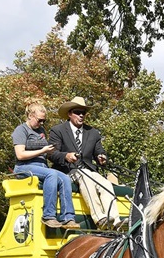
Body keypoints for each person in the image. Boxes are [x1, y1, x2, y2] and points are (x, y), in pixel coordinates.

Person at [48, 96, 122, 229]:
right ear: (70, 114)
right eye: (77, 112)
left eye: (84, 113)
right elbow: (51, 154)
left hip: (89, 171)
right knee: (86, 177)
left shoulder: (93, 133)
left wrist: (102, 157)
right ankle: (100, 218)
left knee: (106, 183)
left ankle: (116, 221)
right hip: (68, 171)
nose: (81, 115)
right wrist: (66, 156)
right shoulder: (58, 130)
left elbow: (100, 151)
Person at [11, 101, 79, 230]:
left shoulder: (40, 130)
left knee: (65, 178)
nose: (42, 123)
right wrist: (43, 150)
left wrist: (65, 154)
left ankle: (68, 218)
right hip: (24, 166)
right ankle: (48, 216)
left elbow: (48, 152)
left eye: (44, 121)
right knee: (52, 174)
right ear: (30, 116)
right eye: (40, 120)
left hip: (42, 167)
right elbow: (20, 155)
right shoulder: (21, 130)